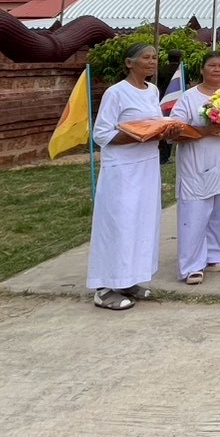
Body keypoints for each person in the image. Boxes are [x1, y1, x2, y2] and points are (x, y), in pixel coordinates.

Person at [87, 42, 164, 311]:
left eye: (155, 57)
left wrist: (162, 131)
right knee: (119, 223)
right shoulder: (116, 93)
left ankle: (128, 278)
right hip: (123, 169)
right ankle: (104, 286)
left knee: (141, 223)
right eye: (146, 57)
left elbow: (154, 123)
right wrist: (138, 133)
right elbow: (101, 134)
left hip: (146, 166)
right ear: (130, 63)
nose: (152, 62)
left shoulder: (152, 90)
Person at [170, 51, 220, 285]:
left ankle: (217, 255)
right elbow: (175, 131)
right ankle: (192, 265)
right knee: (196, 213)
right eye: (212, 65)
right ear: (202, 69)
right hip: (198, 163)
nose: (217, 70)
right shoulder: (189, 98)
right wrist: (205, 131)